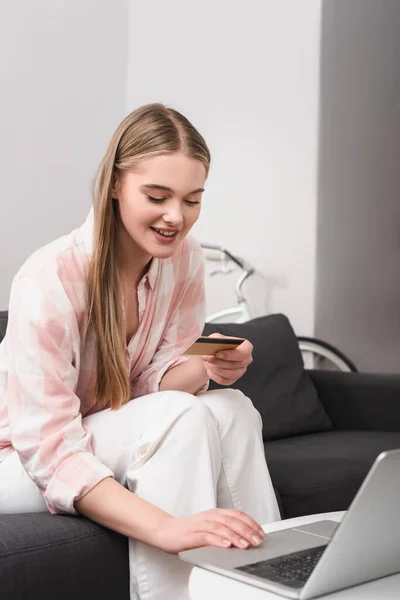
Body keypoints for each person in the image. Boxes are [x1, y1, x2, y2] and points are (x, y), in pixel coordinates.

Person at [0, 104, 280, 599]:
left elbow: (151, 380)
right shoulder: (50, 278)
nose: (177, 217)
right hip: (17, 460)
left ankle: (271, 584)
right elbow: (48, 449)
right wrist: (168, 528)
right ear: (114, 185)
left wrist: (206, 366)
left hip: (102, 427)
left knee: (232, 409)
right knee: (180, 417)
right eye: (157, 196)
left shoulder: (184, 259)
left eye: (192, 200)